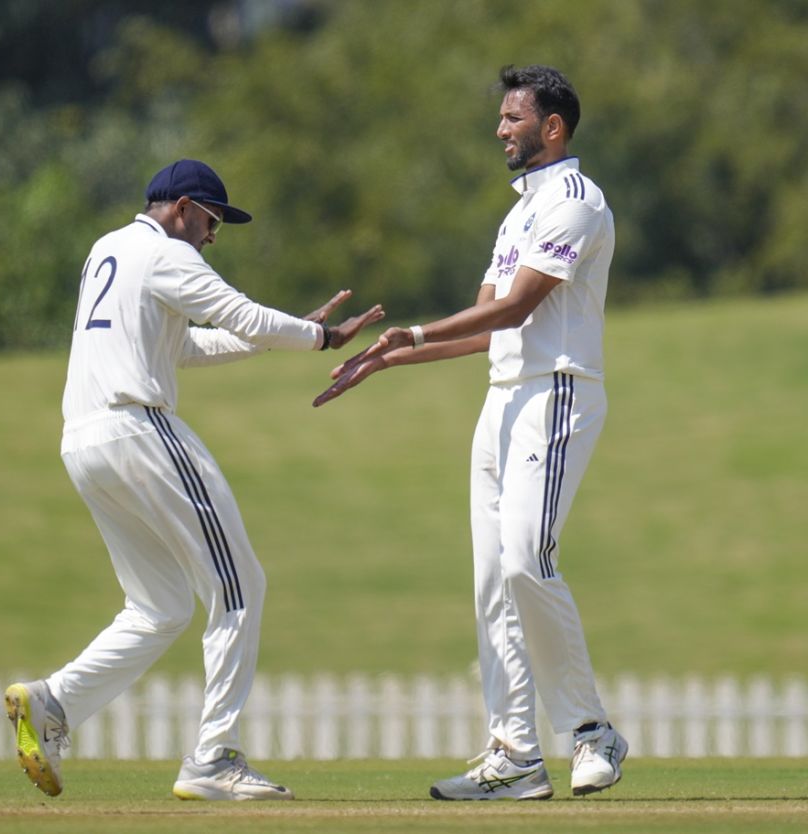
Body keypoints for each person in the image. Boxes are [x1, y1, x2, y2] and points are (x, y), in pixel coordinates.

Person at [5, 159, 383, 801]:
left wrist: (275, 337)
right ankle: (214, 758)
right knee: (240, 587)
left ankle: (54, 702)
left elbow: (184, 346)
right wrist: (319, 336)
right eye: (210, 220)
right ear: (181, 207)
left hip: (84, 440)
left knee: (161, 606)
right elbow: (243, 314)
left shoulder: (108, 250)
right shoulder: (165, 256)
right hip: (138, 429)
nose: (212, 235)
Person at [314, 65, 628, 800]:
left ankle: (591, 732)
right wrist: (396, 355)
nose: (500, 130)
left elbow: (515, 310)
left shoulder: (577, 203)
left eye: (514, 118)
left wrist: (413, 330)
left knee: (525, 559)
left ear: (552, 127)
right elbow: (488, 330)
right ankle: (516, 754)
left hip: (557, 393)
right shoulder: (516, 216)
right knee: (493, 582)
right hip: (503, 398)